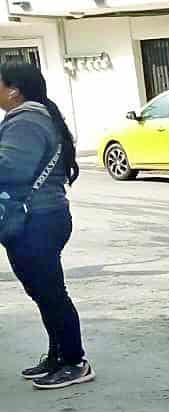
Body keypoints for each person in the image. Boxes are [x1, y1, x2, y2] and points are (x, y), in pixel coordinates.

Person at [0, 62, 91, 389]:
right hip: (41, 216)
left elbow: (11, 168)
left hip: (36, 219)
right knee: (41, 291)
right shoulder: (35, 117)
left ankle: (74, 360)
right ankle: (57, 354)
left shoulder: (25, 121)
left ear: (14, 89)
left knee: (50, 293)